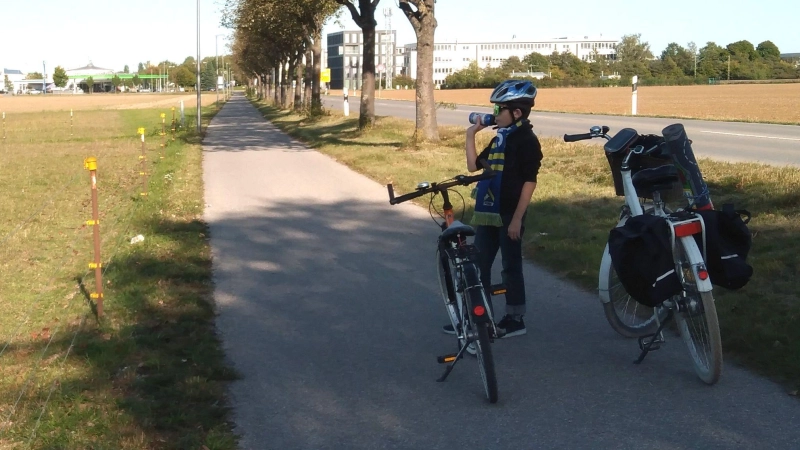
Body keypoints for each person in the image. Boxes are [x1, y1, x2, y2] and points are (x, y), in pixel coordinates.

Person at [444, 79, 542, 339]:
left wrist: (517, 220)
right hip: (488, 211)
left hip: (510, 213)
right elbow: (474, 167)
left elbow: (530, 181)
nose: (494, 115)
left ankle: (515, 318)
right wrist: (470, 135)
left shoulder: (526, 140)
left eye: (499, 110)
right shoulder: (500, 138)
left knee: (510, 266)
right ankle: (479, 318)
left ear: (517, 113)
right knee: (479, 265)